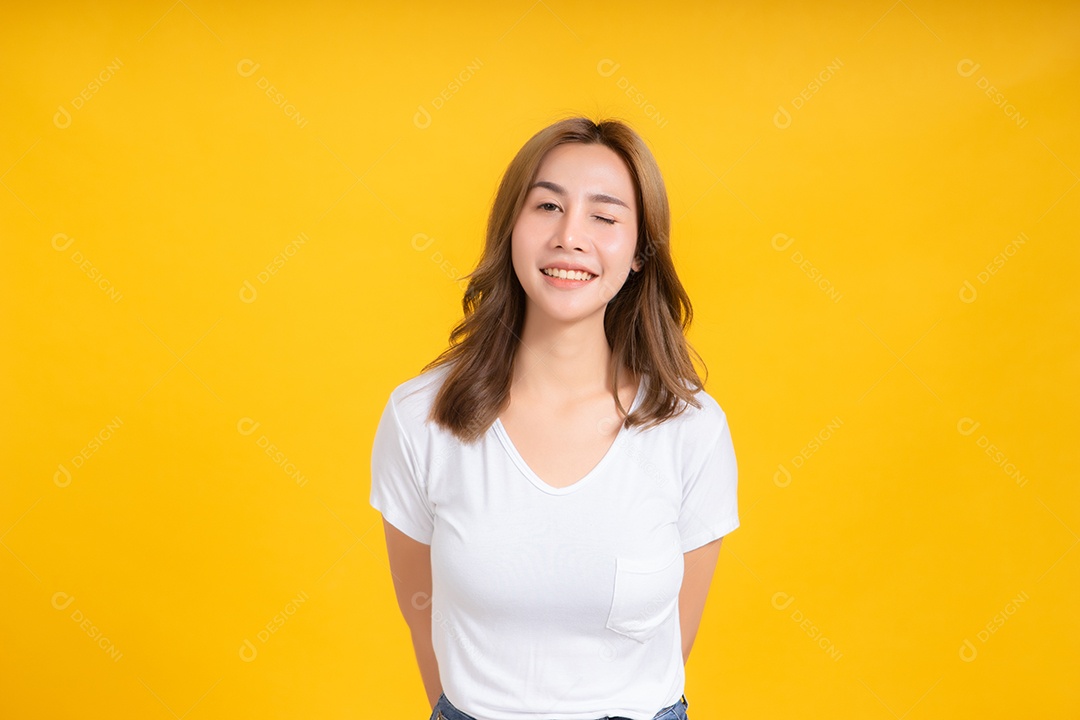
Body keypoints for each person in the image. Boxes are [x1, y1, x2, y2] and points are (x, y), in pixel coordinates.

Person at [369, 115, 739, 720]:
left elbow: (674, 643)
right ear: (509, 228)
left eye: (605, 215)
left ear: (642, 252)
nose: (571, 237)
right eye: (546, 207)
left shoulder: (690, 428)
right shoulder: (420, 417)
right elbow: (424, 619)